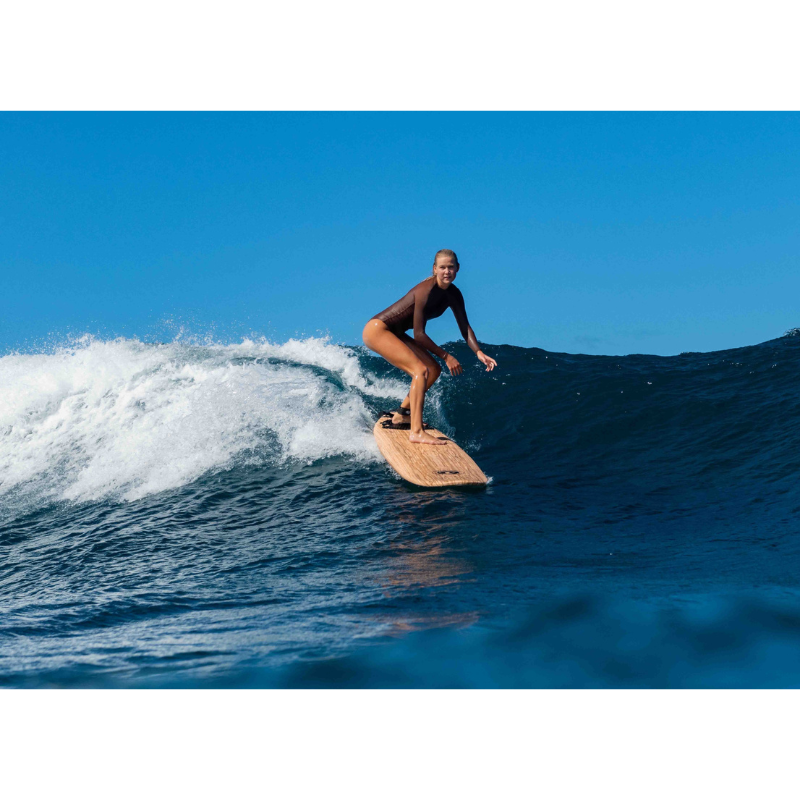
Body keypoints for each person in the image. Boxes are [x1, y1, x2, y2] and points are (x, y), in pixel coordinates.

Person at [362, 249, 497, 445]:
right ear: (435, 269)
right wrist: (446, 355)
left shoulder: (454, 294)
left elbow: (465, 327)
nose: (446, 271)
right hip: (378, 330)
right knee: (420, 370)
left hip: (396, 332)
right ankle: (416, 432)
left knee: (433, 370)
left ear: (458, 268)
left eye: (451, 267)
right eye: (442, 267)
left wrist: (478, 352)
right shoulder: (426, 290)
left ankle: (402, 414)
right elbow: (419, 335)